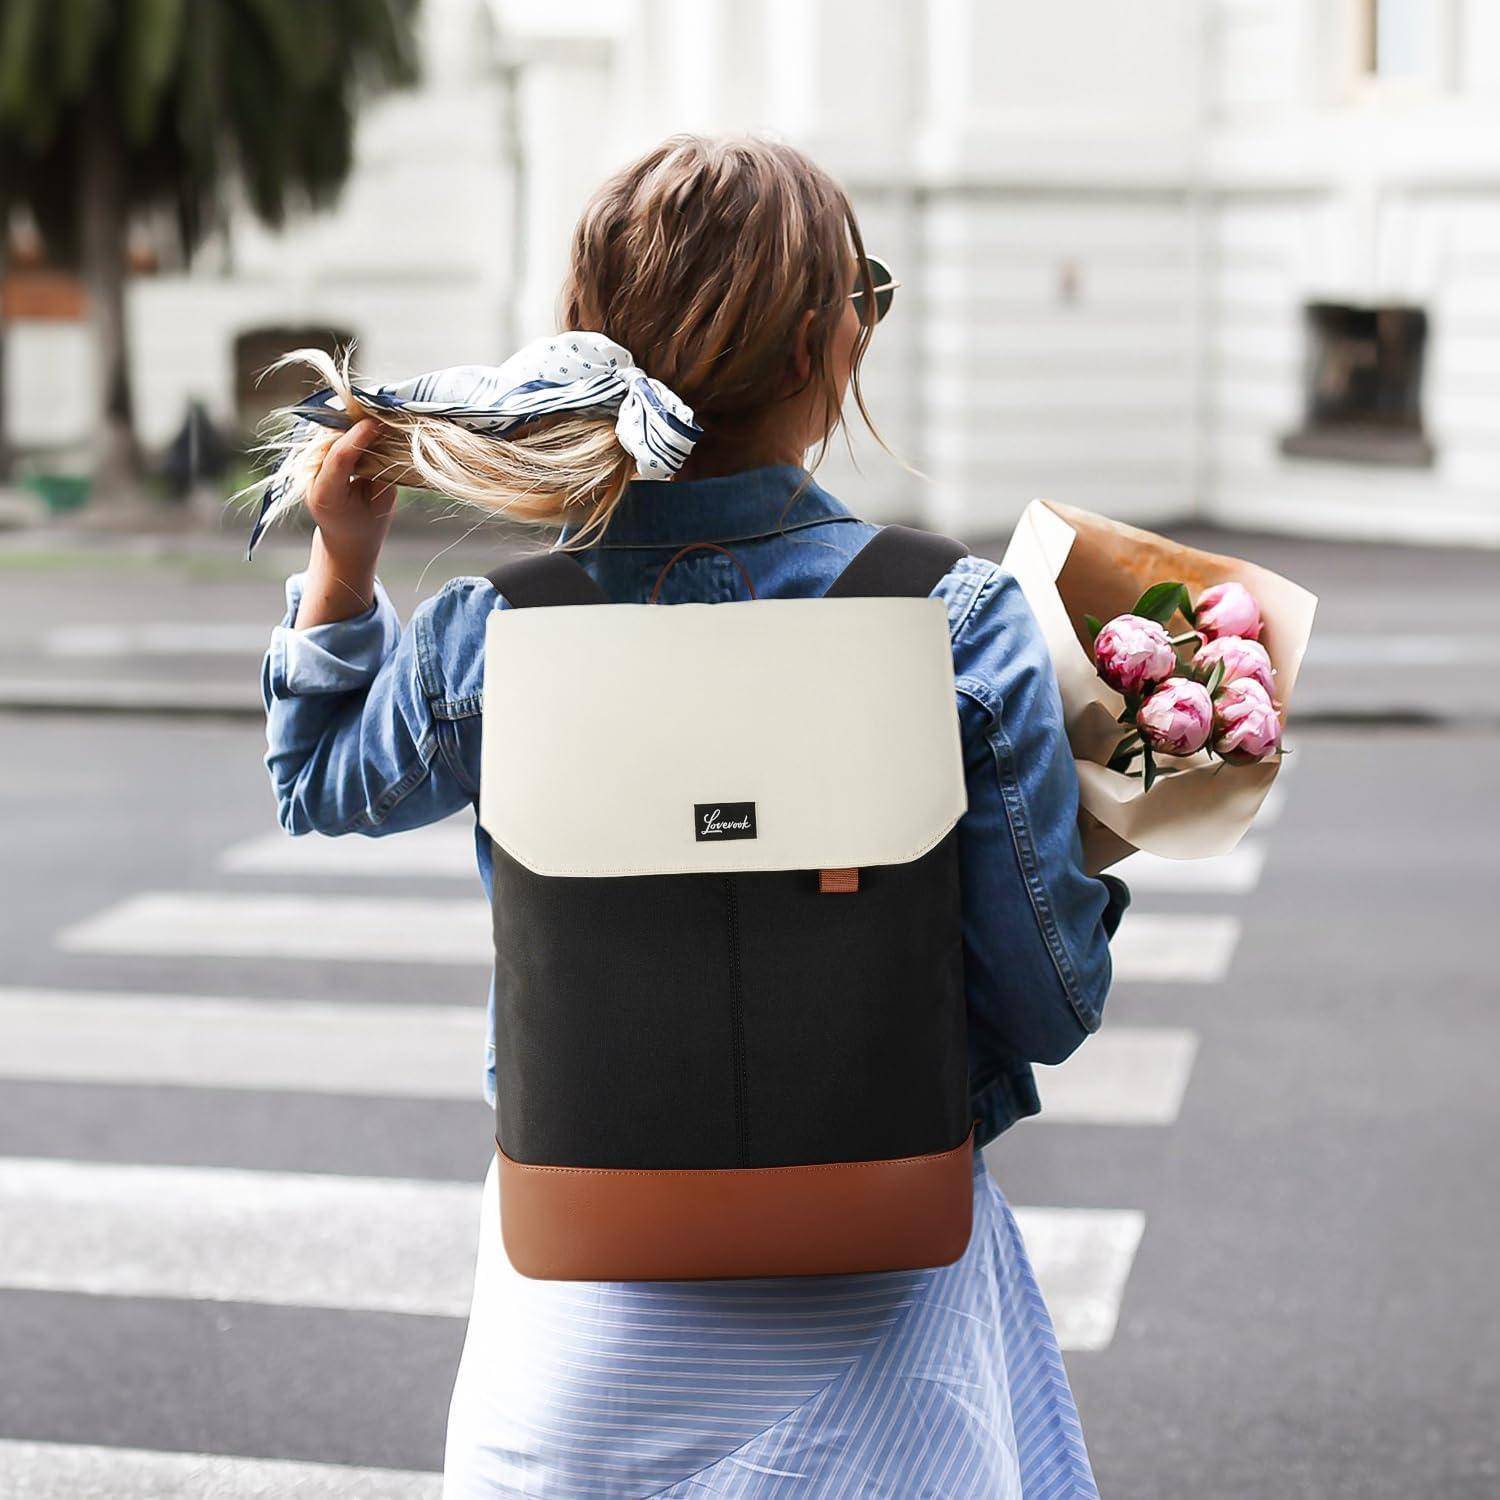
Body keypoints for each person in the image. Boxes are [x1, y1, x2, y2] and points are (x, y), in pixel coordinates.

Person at [259, 134, 1129, 1499]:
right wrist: (1099, 840)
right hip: (878, 1303)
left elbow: (313, 782)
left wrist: (344, 556)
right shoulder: (952, 624)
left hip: (579, 1320)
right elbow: (1051, 1004)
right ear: (821, 350)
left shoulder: (498, 631)